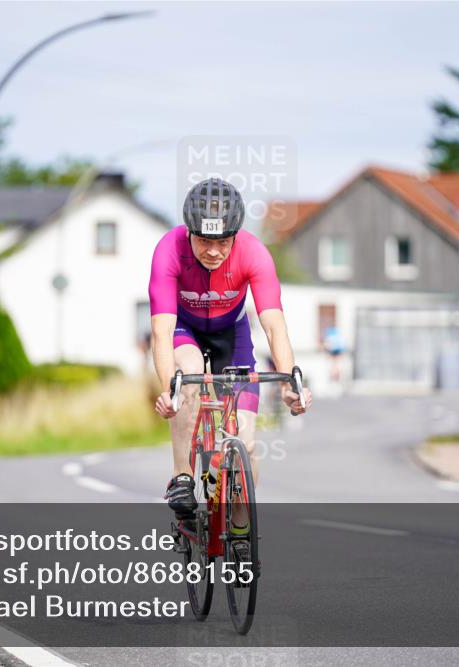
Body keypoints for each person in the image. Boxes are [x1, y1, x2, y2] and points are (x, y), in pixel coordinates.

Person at [148, 177, 312, 559]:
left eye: (224, 241)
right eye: (205, 241)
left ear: (236, 235)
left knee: (249, 443)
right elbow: (161, 331)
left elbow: (274, 324)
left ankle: (240, 528)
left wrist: (290, 381)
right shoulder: (168, 250)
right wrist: (167, 390)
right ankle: (183, 478)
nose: (215, 251)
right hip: (184, 331)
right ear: (189, 232)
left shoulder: (254, 253)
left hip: (231, 335)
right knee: (186, 377)